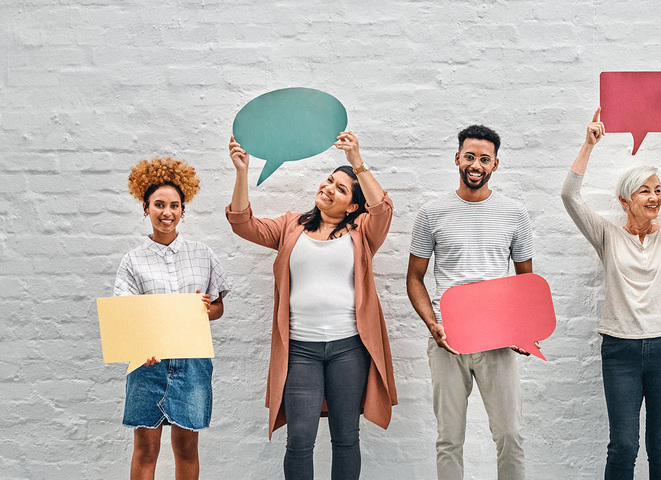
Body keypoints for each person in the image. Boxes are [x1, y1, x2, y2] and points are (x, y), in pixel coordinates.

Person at [226, 131, 397, 480]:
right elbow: (242, 224)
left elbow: (382, 208)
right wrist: (242, 172)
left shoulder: (362, 232)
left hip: (349, 349)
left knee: (346, 438)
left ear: (352, 206)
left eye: (341, 188)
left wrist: (356, 162)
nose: (329, 187)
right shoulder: (291, 225)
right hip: (300, 351)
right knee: (300, 438)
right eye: (330, 180)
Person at [560, 108, 661, 479]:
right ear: (625, 200)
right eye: (645, 191)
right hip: (620, 350)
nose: (655, 197)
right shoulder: (608, 236)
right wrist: (588, 145)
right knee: (623, 444)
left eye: (658, 190)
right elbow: (569, 195)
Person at [406, 124, 536, 480]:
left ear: (495, 164)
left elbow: (526, 281)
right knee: (449, 438)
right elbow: (414, 278)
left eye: (484, 159)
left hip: (497, 338)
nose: (475, 164)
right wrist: (433, 325)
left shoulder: (514, 213)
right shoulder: (432, 213)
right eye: (469, 157)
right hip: (448, 338)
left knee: (510, 434)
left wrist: (523, 330)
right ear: (457, 159)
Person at [115, 157, 229, 480]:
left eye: (174, 205)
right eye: (159, 204)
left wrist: (206, 309)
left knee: (186, 448)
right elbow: (125, 315)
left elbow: (219, 308)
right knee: (147, 449)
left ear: (183, 209)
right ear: (145, 207)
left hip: (192, 362)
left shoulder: (203, 254)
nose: (167, 212)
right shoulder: (133, 261)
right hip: (147, 363)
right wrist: (140, 346)